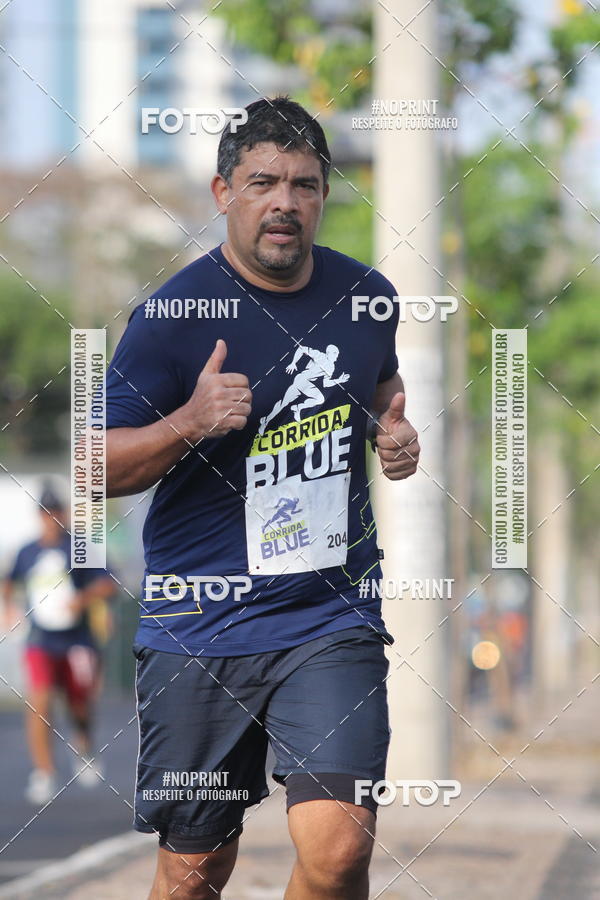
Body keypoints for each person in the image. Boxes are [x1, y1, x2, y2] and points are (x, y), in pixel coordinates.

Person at [105, 96, 421, 900]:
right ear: (223, 193)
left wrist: (394, 434)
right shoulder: (171, 319)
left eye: (304, 185)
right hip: (201, 627)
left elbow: (382, 389)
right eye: (263, 183)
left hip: (329, 616)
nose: (285, 202)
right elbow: (93, 467)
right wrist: (189, 421)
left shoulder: (368, 297)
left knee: (340, 849)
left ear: (324, 195)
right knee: (195, 871)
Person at [1, 484, 116, 805]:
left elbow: (107, 584)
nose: (51, 518)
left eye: (56, 512)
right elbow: (9, 581)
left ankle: (84, 746)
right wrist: (8, 608)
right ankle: (44, 771)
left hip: (78, 640)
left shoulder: (80, 548)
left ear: (63, 514)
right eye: (45, 512)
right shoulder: (27, 552)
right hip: (41, 639)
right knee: (39, 700)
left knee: (78, 702)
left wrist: (83, 599)